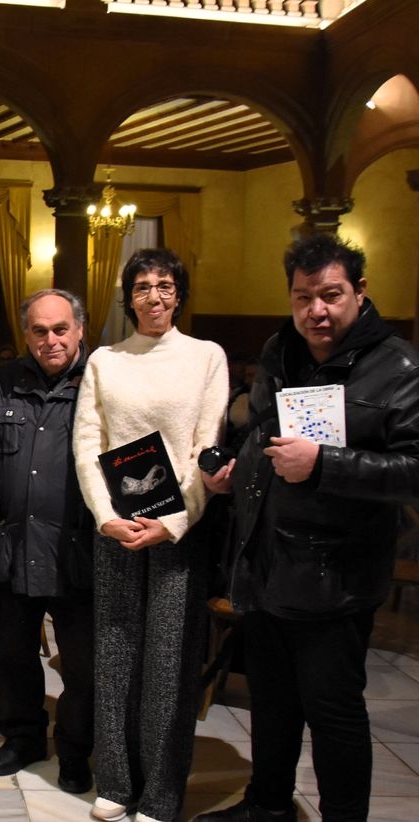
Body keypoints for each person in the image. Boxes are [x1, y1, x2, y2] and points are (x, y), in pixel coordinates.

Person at [196, 235, 419, 822]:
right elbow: (263, 438)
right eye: (303, 297)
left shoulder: (398, 367)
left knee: (333, 712)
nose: (316, 311)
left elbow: (413, 472)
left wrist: (326, 465)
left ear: (360, 292)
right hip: (266, 560)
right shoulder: (279, 349)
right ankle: (266, 807)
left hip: (337, 576)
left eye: (331, 295)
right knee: (272, 702)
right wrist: (232, 471)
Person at [72, 248, 227, 822]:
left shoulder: (206, 356)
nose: (154, 296)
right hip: (114, 525)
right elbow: (88, 444)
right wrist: (105, 515)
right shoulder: (105, 361)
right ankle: (114, 781)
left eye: (164, 286)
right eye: (142, 287)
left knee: (169, 662)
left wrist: (174, 521)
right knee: (114, 653)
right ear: (128, 296)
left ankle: (160, 796)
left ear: (179, 293)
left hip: (178, 532)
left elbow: (203, 445)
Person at [0, 289, 95, 794]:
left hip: (81, 549)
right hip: (12, 541)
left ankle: (75, 750)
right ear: (26, 334)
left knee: (83, 663)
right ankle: (22, 738)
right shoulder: (0, 383)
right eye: (39, 331)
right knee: (11, 654)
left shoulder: (101, 382)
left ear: (80, 330)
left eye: (60, 329)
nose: (50, 340)